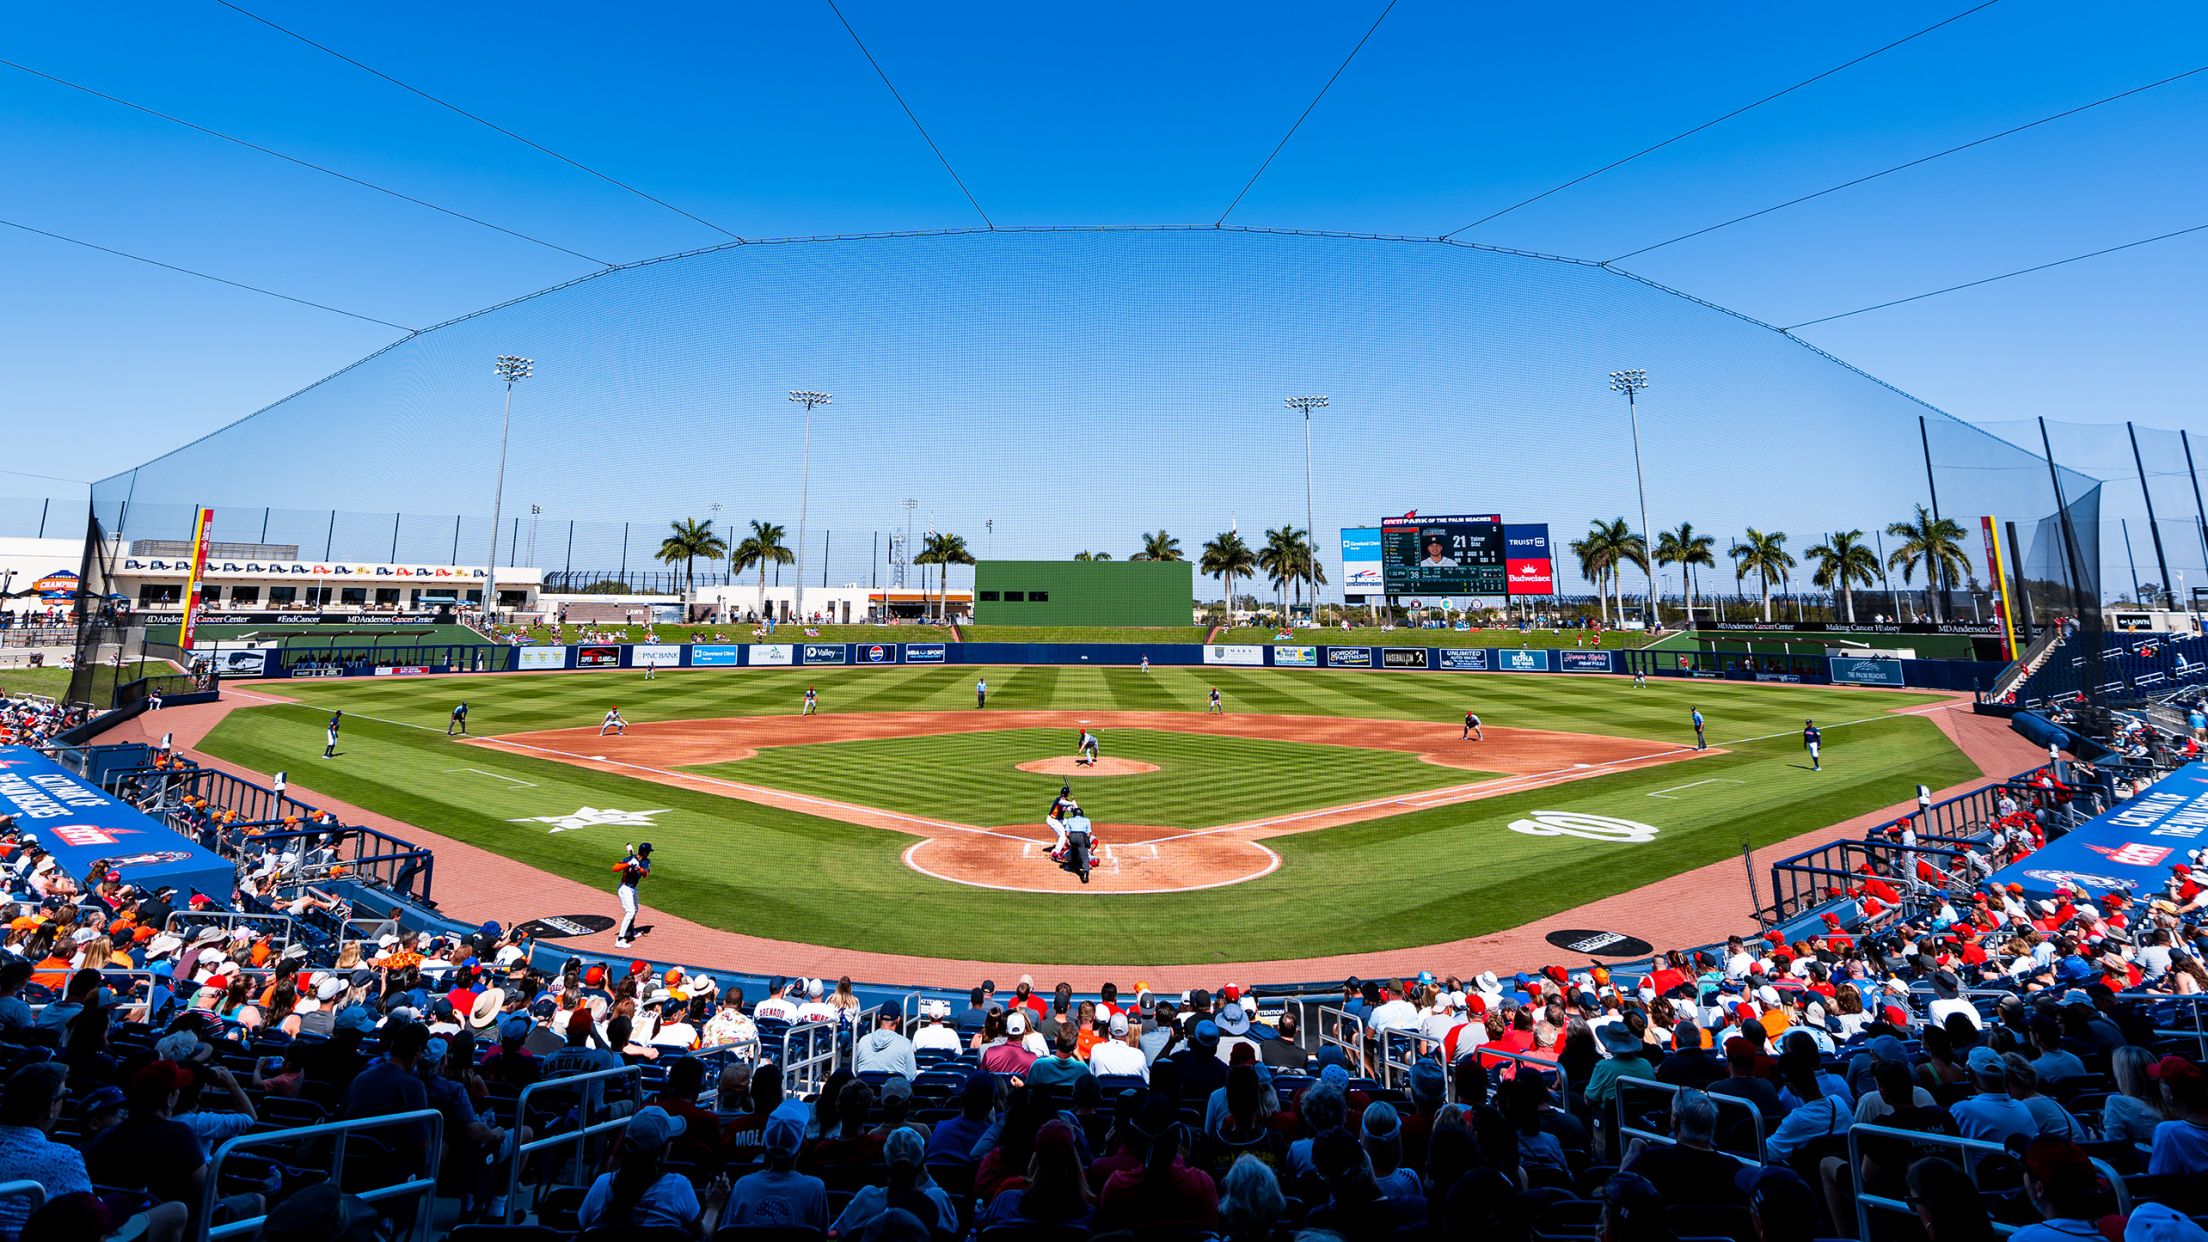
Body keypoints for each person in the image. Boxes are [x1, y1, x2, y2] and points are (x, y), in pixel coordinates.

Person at [579, 1105, 721, 1235]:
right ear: (661, 1153)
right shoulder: (678, 1187)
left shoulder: (602, 1185)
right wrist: (713, 1208)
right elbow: (703, 1237)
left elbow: (581, 1229)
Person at [830, 1126, 957, 1237]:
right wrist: (928, 1180)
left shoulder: (867, 1197)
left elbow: (833, 1235)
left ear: (885, 1163)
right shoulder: (936, 1198)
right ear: (922, 1165)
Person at [723, 1104, 828, 1230]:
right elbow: (826, 1236)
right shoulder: (815, 1189)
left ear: (766, 1143)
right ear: (801, 1146)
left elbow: (725, 1233)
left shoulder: (743, 1186)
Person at [855, 1009, 919, 1080]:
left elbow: (856, 1070)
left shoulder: (863, 1041)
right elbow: (911, 1076)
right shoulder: (905, 1043)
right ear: (898, 1020)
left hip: (867, 1089)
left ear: (879, 1018)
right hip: (894, 1090)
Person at [613, 842, 651, 947]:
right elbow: (615, 868)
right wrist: (629, 864)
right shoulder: (629, 859)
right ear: (644, 852)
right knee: (630, 912)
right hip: (624, 888)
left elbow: (645, 875)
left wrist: (638, 868)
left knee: (635, 910)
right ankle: (620, 940)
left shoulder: (646, 861)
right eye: (648, 852)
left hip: (633, 889)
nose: (649, 854)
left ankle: (629, 931)